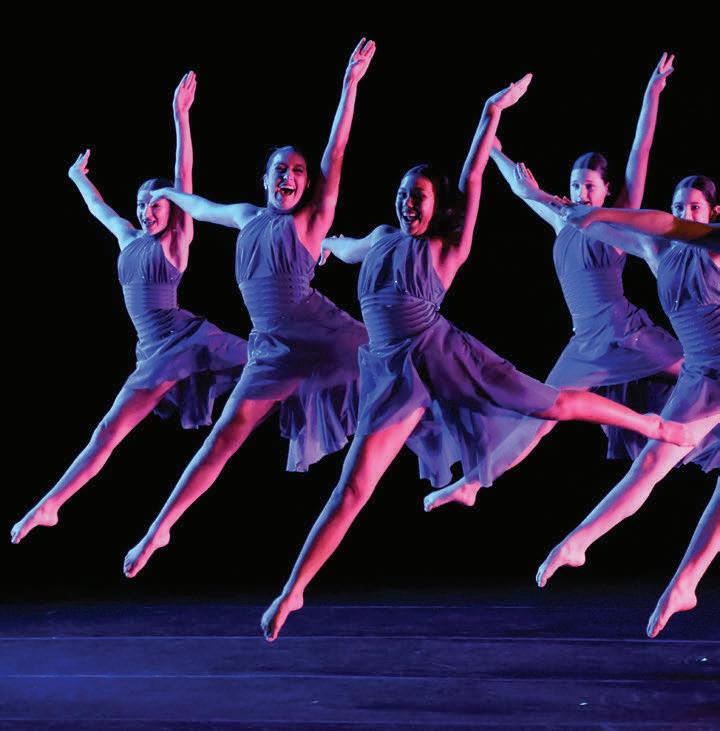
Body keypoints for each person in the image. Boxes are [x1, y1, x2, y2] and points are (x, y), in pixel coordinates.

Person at [260, 75, 697, 641]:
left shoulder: (451, 246)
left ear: (438, 206)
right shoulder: (384, 238)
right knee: (354, 488)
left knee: (555, 405)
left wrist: (491, 115)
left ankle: (655, 424)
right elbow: (348, 246)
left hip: (451, 356)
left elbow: (473, 178)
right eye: (403, 193)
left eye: (419, 195)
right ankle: (294, 589)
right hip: (393, 375)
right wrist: (325, 245)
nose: (407, 202)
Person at [123, 39, 376, 579]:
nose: (289, 176)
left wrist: (349, 85)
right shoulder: (245, 216)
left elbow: (336, 151)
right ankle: (159, 529)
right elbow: (193, 201)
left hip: (320, 332)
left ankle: (459, 438)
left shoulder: (312, 220)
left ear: (307, 184)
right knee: (223, 439)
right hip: (271, 350)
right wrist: (179, 128)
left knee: (403, 371)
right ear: (264, 179)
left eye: (298, 171)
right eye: (280, 169)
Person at [425, 53, 683, 512]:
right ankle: (472, 484)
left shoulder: (619, 217)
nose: (581, 193)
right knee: (539, 415)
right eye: (575, 185)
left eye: (590, 187)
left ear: (606, 191)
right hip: (584, 344)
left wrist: (653, 92)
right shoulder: (562, 220)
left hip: (627, 333)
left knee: (697, 370)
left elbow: (640, 150)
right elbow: (519, 186)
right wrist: (494, 145)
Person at [11, 72, 248, 545]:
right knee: (107, 431)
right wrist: (78, 178)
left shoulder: (176, 240)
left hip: (187, 339)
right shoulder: (128, 238)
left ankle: (347, 396)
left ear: (172, 209)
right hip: (152, 353)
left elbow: (184, 176)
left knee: (272, 363)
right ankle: (50, 505)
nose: (147, 211)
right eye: (142, 204)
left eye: (156, 204)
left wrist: (180, 116)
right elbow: (100, 209)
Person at [536, 178, 720, 637]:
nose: (685, 214)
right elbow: (591, 225)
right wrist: (547, 200)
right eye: (679, 206)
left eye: (694, 207)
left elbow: (657, 222)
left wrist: (601, 212)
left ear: (712, 213)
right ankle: (579, 541)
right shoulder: (660, 254)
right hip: (700, 377)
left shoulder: (715, 244)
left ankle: (686, 581)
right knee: (650, 463)